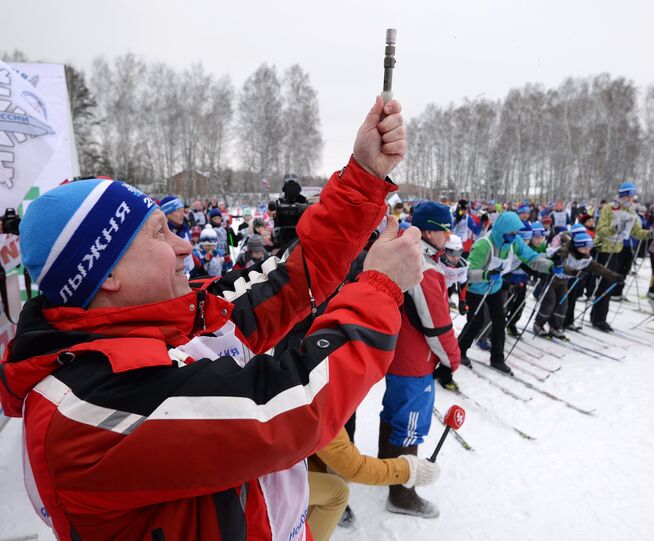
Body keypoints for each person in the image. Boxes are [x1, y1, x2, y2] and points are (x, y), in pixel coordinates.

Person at [0, 97, 419, 541]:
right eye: (159, 232)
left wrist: (364, 176)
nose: (184, 246)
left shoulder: (182, 319)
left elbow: (293, 275)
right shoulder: (85, 405)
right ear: (109, 275)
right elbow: (288, 407)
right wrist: (381, 288)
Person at [378, 201, 460, 519]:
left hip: (397, 353)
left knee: (393, 415)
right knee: (409, 427)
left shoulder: (404, 251)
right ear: (428, 231)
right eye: (444, 230)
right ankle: (402, 493)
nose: (448, 236)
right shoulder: (423, 267)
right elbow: (437, 325)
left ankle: (386, 470)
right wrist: (452, 359)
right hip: (414, 361)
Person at [458, 211, 553, 373]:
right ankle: (460, 351)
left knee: (499, 321)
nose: (515, 235)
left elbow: (531, 257)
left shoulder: (514, 242)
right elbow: (468, 275)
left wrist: (550, 266)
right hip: (476, 289)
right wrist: (486, 274)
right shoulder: (483, 245)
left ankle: (497, 358)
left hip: (495, 287)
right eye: (512, 232)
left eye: (516, 232)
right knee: (476, 321)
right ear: (502, 230)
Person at [307, 426, 440, 540]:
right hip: (286, 481)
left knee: (324, 466)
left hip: (290, 462)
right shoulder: (316, 402)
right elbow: (354, 467)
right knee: (338, 492)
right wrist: (408, 470)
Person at [591, 182, 652, 332]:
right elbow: (600, 229)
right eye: (629, 196)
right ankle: (598, 318)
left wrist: (650, 234)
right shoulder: (608, 208)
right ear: (622, 195)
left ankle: (600, 317)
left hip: (619, 250)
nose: (631, 199)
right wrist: (614, 229)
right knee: (605, 283)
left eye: (632, 197)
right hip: (605, 249)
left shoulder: (632, 211)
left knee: (613, 283)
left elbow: (636, 232)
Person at [160, 194, 194, 275]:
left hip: (190, 274)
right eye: (179, 211)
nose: (182, 214)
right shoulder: (160, 234)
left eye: (183, 211)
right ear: (167, 213)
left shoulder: (185, 230)